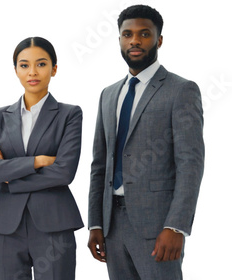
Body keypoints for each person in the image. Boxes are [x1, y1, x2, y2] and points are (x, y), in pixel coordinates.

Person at [87, 4, 204, 280]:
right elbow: (99, 164)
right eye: (127, 34)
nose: (135, 41)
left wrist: (176, 227)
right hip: (112, 226)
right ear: (119, 40)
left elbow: (190, 164)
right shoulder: (108, 94)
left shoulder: (181, 90)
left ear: (159, 40)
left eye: (144, 34)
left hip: (158, 227)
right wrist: (95, 223)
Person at [0, 37, 83, 280]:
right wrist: (38, 161)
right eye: (24, 65)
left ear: (54, 69)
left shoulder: (69, 114)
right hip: (6, 226)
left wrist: (9, 175)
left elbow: (64, 172)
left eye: (41, 64)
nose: (32, 72)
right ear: (15, 70)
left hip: (54, 224)